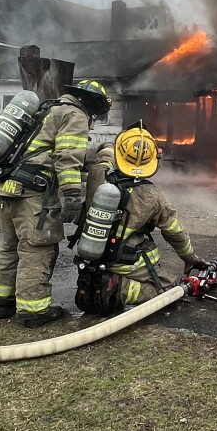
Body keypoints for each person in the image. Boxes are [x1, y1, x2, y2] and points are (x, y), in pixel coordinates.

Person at [0, 78, 112, 327]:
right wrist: (73, 195)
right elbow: (66, 156)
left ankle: (3, 302)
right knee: (37, 249)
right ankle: (34, 311)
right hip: (33, 194)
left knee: (10, 246)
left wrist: (89, 158)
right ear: (92, 106)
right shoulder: (76, 115)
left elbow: (46, 148)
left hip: (7, 189)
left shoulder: (49, 109)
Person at [80, 123, 207, 313]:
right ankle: (117, 289)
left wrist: (111, 147)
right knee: (172, 291)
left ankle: (99, 281)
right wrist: (189, 257)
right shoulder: (152, 195)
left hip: (92, 256)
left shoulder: (98, 175)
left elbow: (104, 157)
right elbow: (174, 231)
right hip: (126, 263)